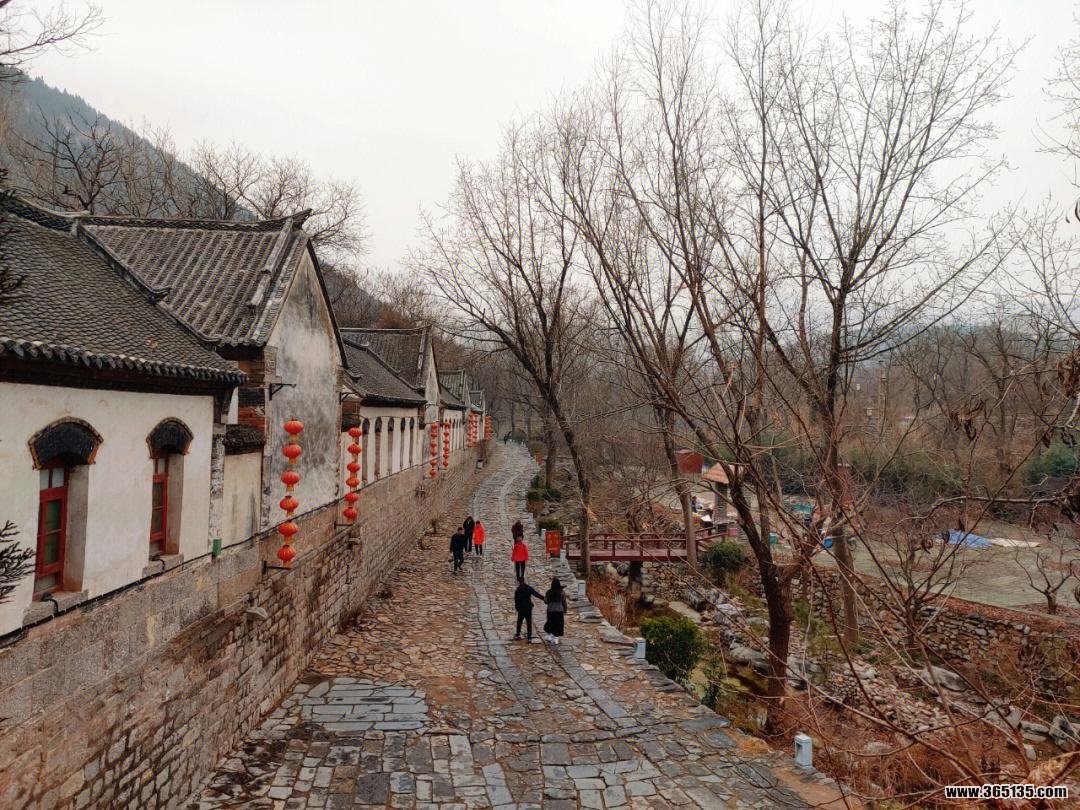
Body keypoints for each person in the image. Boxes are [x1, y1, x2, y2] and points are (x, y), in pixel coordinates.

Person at [543, 577, 567, 645]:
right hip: (559, 610)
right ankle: (556, 638)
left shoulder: (548, 592)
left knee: (550, 622)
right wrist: (565, 609)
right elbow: (564, 602)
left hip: (551, 610)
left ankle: (550, 635)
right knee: (559, 624)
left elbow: (545, 601)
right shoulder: (562, 592)